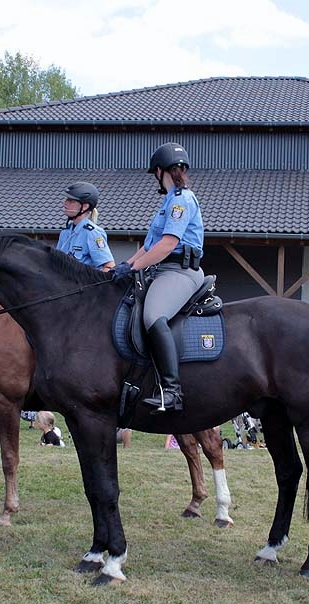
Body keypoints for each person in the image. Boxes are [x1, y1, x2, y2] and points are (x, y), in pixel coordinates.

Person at [113, 142, 205, 413]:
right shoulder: (167, 203)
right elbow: (148, 246)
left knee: (153, 315)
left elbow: (166, 245)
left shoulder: (182, 201)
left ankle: (172, 391)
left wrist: (134, 268)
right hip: (160, 270)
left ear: (159, 171)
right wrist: (124, 265)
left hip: (181, 271)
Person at [56, 182, 115, 270]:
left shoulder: (93, 233)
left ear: (85, 206)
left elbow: (109, 266)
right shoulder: (65, 232)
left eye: (71, 201)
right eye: (66, 199)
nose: (65, 203)